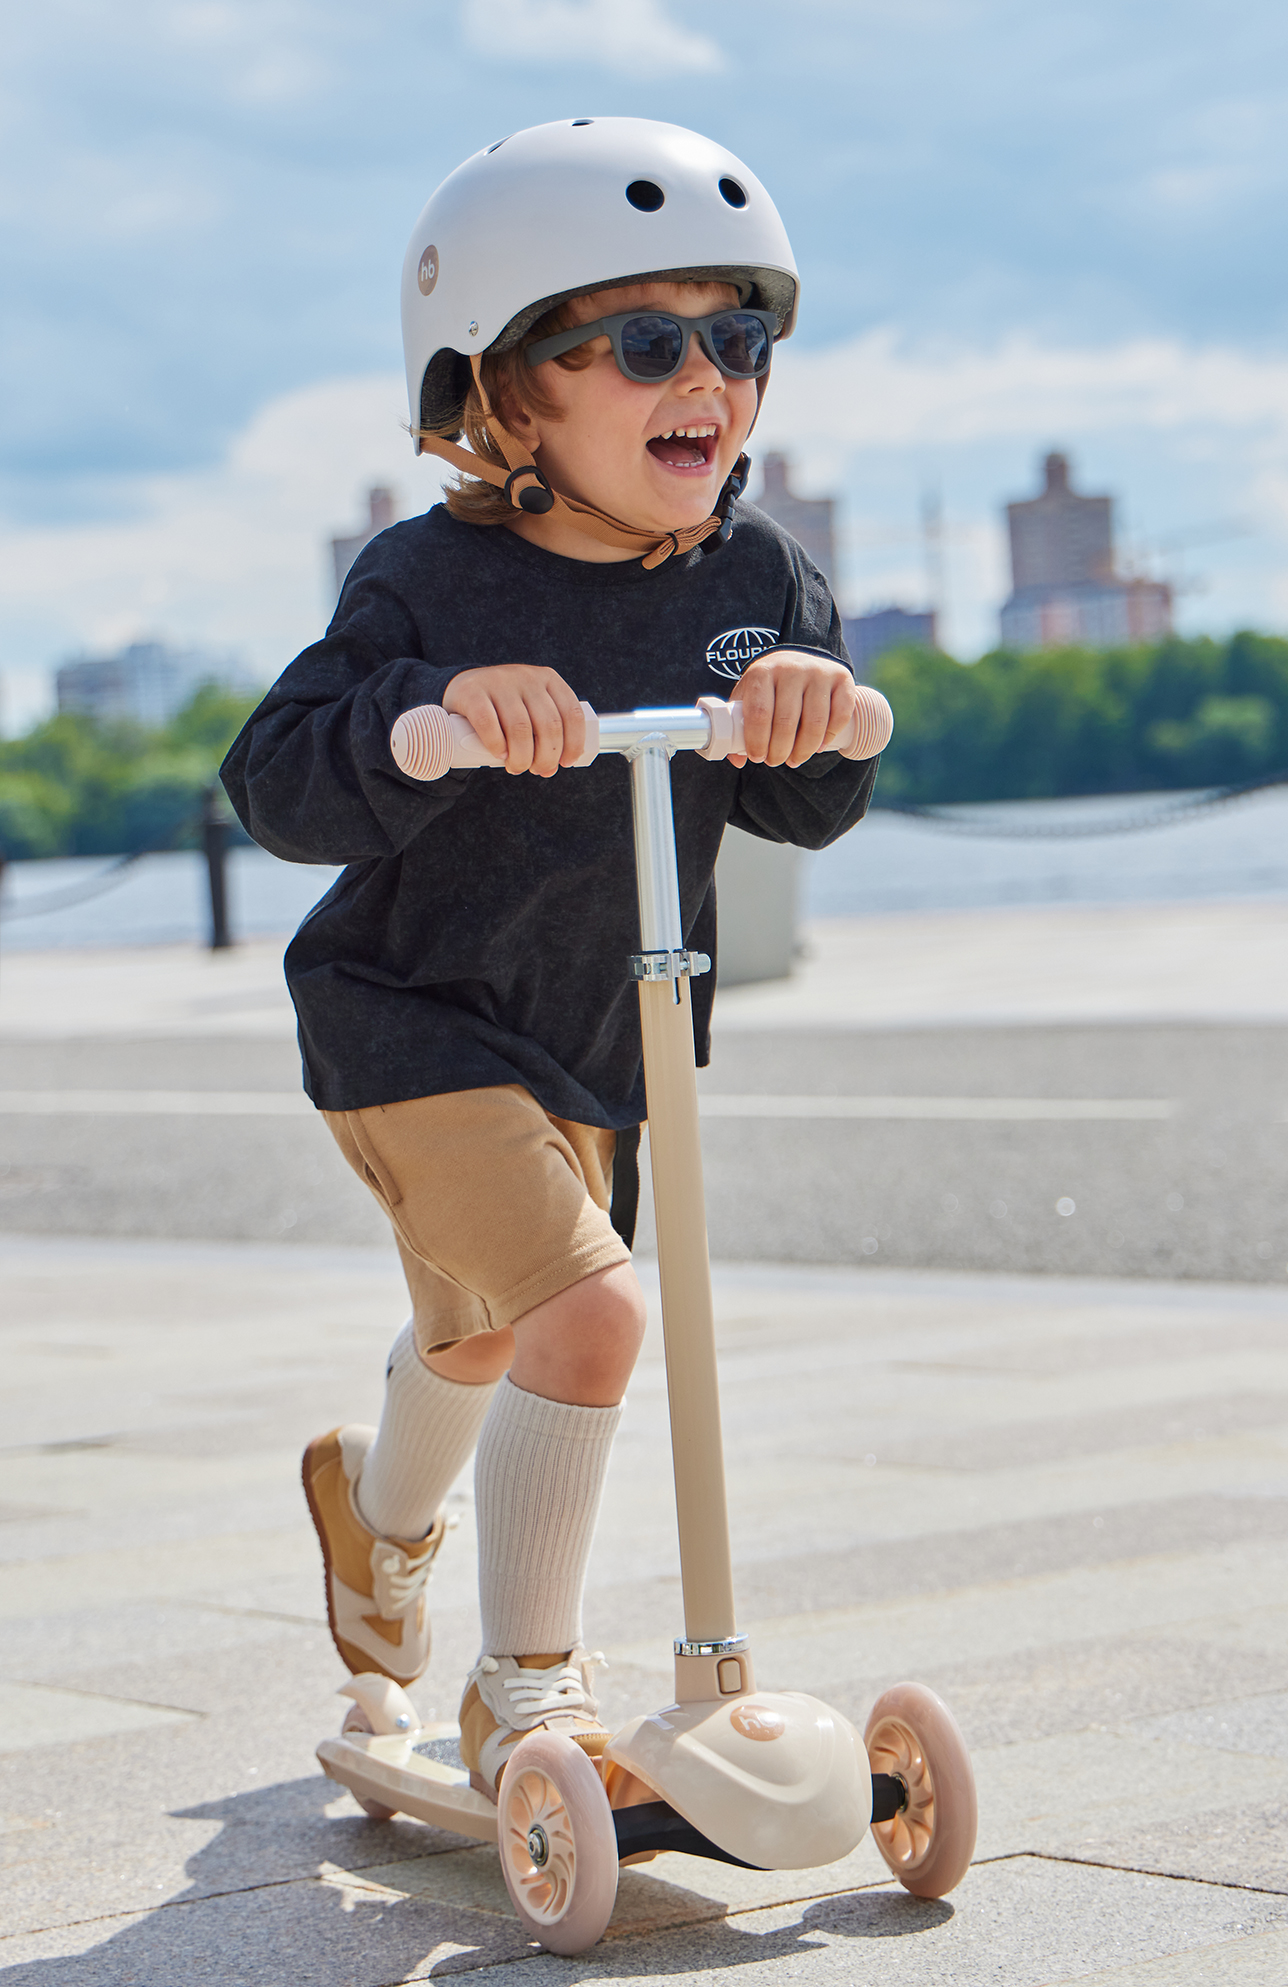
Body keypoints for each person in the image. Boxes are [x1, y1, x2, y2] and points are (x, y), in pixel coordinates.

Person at [221, 118, 873, 1800]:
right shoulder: (433, 576)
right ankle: (527, 1694)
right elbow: (278, 778)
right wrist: (426, 719)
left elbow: (807, 803)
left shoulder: (758, 573)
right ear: (506, 393)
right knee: (587, 1322)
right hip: (406, 1015)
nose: (708, 383)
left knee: (483, 1337)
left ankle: (375, 1515)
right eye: (648, 343)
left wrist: (817, 717)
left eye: (739, 343)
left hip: (599, 1029)